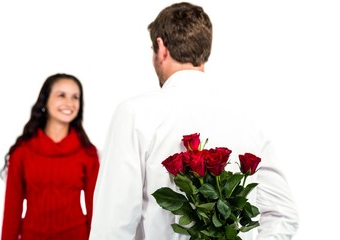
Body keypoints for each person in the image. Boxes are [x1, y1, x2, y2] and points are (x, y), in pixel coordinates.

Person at [90, 2, 299, 240]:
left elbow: (113, 224)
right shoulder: (245, 118)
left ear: (161, 47)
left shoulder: (134, 113)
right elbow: (283, 214)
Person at [1, 73, 100, 240]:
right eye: (61, 95)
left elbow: (95, 211)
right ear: (45, 101)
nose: (69, 103)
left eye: (75, 97)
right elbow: (12, 211)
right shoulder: (22, 152)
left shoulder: (87, 153)